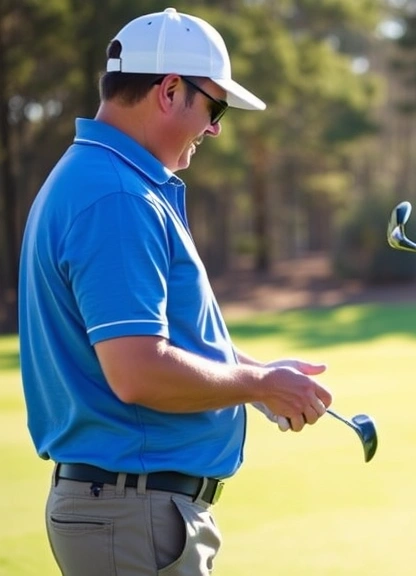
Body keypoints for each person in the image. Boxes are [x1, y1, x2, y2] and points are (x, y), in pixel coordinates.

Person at [18, 8, 334, 576]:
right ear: (169, 91)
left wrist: (254, 381)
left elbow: (159, 337)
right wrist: (258, 383)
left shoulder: (103, 179)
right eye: (213, 108)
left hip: (130, 509)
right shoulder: (117, 197)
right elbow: (138, 370)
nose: (214, 127)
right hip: (131, 512)